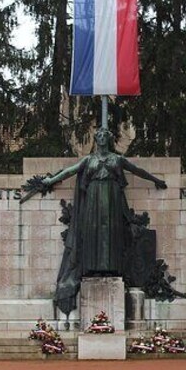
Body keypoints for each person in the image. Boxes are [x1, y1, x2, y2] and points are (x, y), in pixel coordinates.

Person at [35, 128, 167, 315]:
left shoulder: (117, 159)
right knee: (94, 233)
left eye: (106, 135)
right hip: (93, 198)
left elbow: (137, 170)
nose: (103, 138)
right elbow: (69, 172)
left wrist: (155, 180)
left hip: (113, 198)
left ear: (109, 140)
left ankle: (111, 268)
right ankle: (94, 268)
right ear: (96, 139)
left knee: (111, 233)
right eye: (100, 136)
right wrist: (51, 181)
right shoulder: (89, 160)